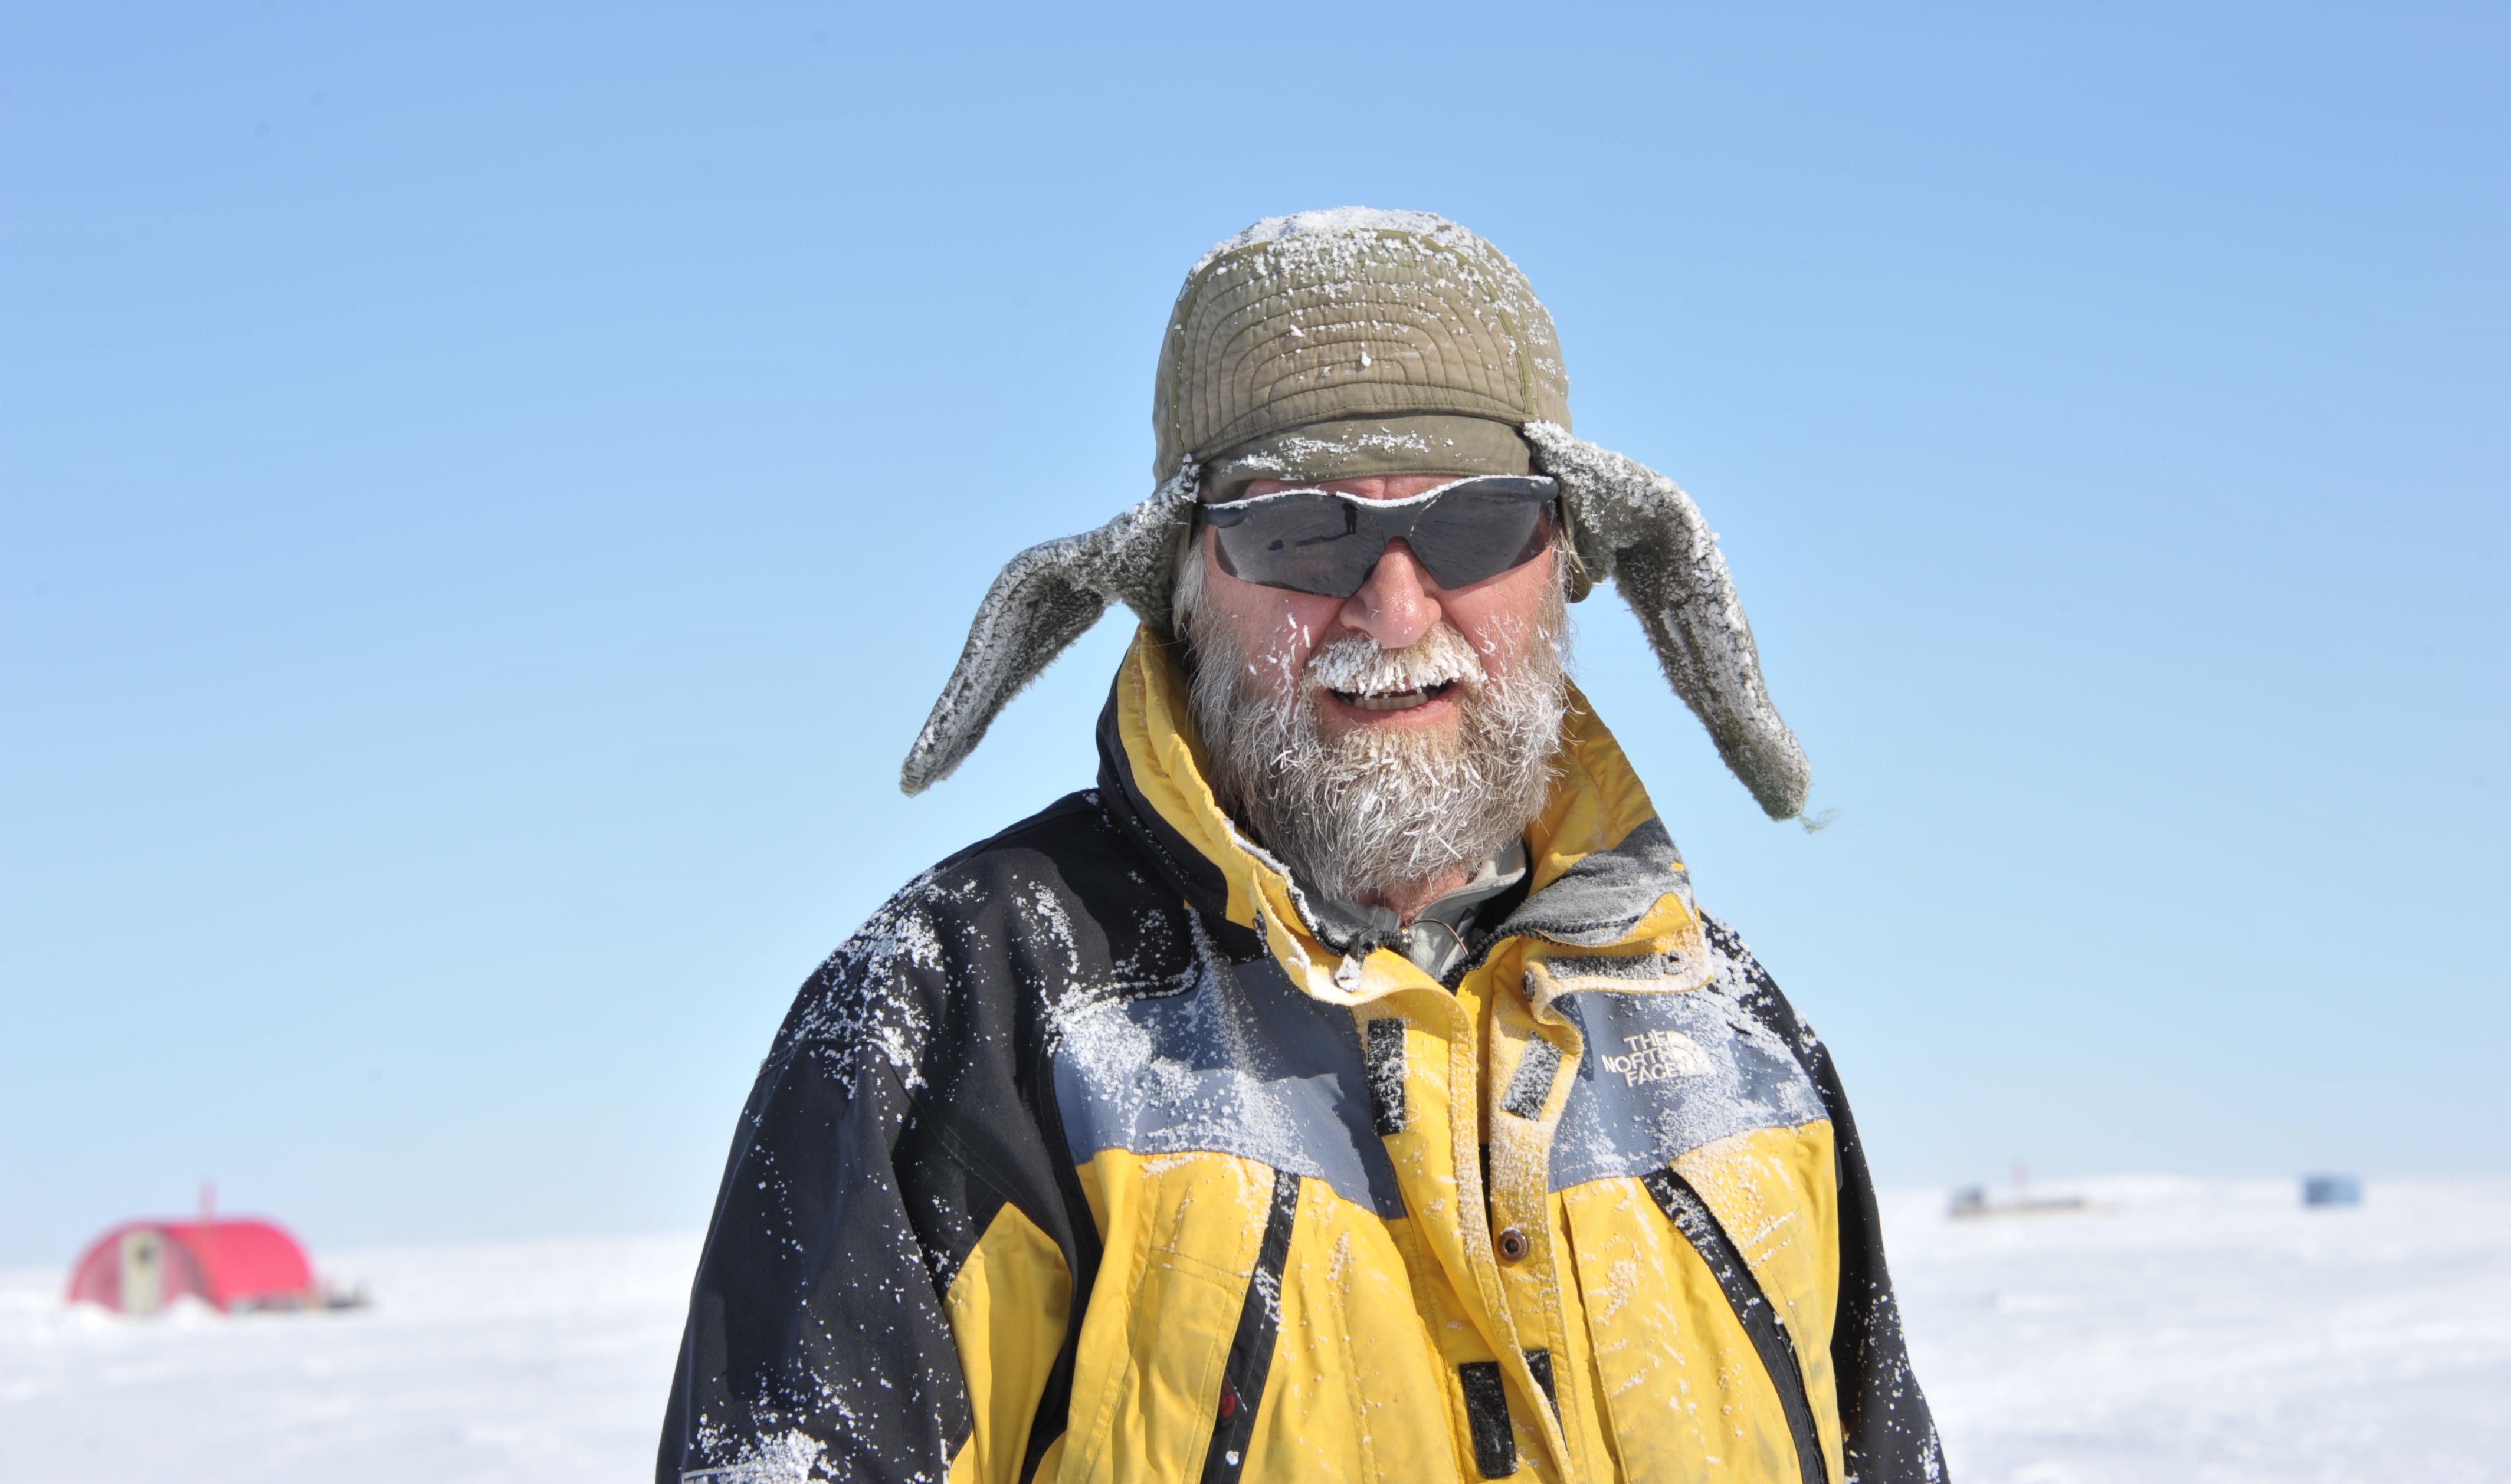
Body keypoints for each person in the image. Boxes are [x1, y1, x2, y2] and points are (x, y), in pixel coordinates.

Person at [658, 209, 1943, 1484]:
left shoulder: (1733, 1039)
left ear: (1564, 559)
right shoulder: (972, 1012)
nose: (1393, 610)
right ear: (1184, 578)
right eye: (1300, 532)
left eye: (1476, 524)